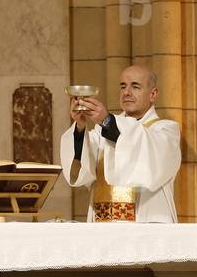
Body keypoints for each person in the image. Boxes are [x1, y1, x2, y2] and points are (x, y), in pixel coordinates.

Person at [60, 65, 180, 222]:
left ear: (153, 94)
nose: (127, 92)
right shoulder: (101, 131)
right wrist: (81, 126)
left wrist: (107, 120)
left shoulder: (165, 131)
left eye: (135, 86)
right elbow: (81, 169)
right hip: (103, 225)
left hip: (146, 226)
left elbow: (142, 145)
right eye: (123, 86)